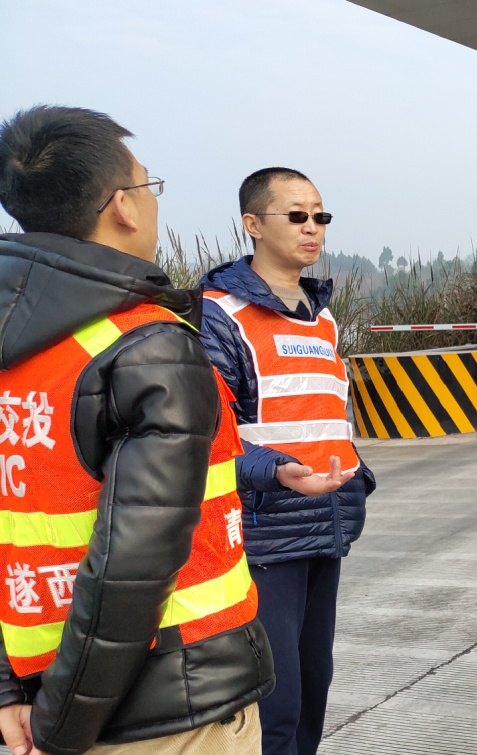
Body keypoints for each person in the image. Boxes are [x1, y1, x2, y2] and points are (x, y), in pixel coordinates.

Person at [0, 105, 273, 755]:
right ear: (122, 205)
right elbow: (133, 564)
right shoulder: (147, 348)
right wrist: (61, 728)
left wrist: (11, 689)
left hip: (43, 694)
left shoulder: (19, 352)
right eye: (149, 185)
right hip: (171, 711)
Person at [197, 167, 375, 755]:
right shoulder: (220, 316)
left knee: (313, 689)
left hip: (326, 523)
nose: (311, 227)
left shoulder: (321, 316)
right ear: (252, 224)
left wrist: (357, 480)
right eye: (296, 215)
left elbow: (324, 416)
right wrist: (274, 471)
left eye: (320, 216)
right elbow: (208, 434)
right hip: (264, 534)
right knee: (275, 705)